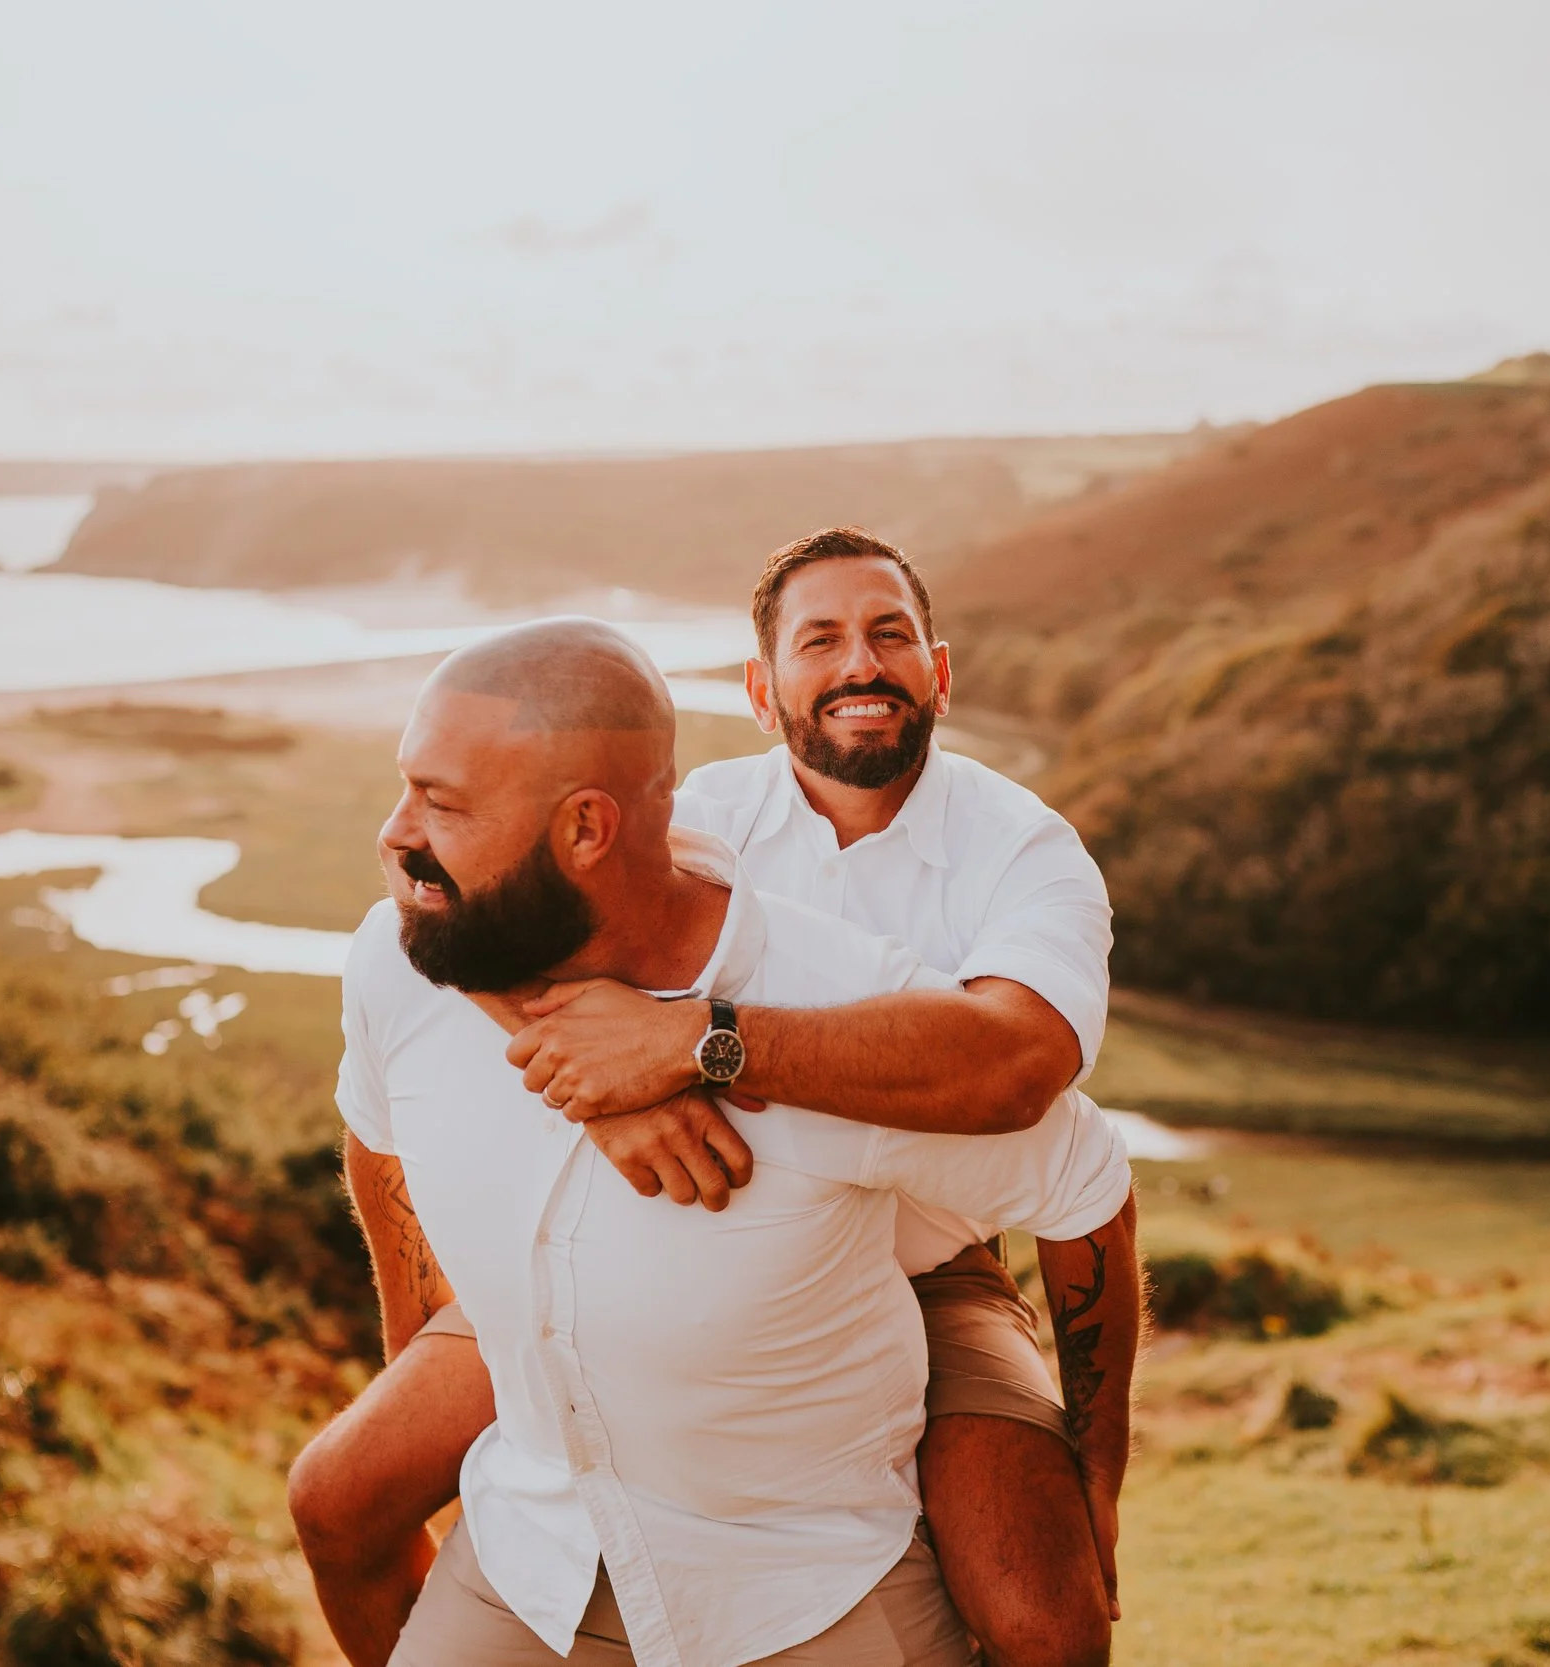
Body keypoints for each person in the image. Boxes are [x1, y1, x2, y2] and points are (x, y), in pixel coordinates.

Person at [291, 531, 1140, 1667]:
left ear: (939, 673)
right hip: (661, 1247)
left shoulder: (1023, 850)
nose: (860, 663)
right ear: (760, 688)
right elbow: (519, 900)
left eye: (889, 635)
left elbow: (1020, 1073)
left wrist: (697, 1045)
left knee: (1045, 1618)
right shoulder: (699, 817)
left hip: (933, 1259)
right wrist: (600, 1092)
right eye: (820, 640)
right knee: (337, 1493)